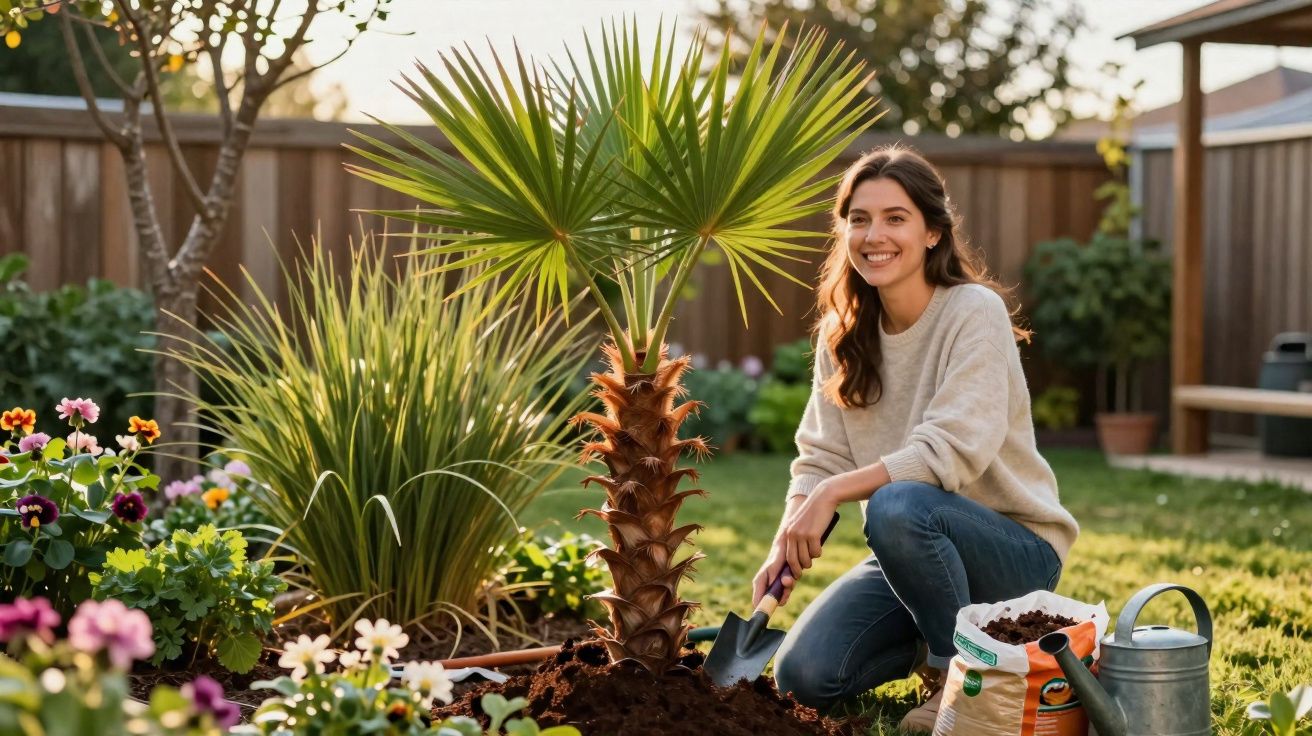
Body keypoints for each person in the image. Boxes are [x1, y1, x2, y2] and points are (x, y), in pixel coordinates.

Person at [755, 146, 1079, 732]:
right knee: (802, 678)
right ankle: (939, 628)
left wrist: (832, 496)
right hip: (913, 555)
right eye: (858, 218)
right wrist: (790, 530)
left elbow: (950, 451)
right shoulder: (842, 335)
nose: (873, 234)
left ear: (932, 232)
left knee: (897, 503)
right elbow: (820, 455)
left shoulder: (972, 312)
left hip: (1012, 551)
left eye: (894, 218)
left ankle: (956, 678)